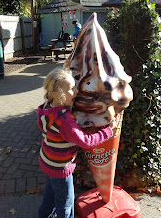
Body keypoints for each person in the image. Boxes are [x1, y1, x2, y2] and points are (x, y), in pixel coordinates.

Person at [38, 68, 114, 218]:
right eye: (71, 89)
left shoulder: (47, 108)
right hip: (60, 168)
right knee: (66, 204)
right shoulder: (64, 121)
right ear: (57, 95)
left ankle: (43, 215)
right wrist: (107, 131)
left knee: (51, 194)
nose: (76, 91)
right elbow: (85, 142)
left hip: (48, 162)